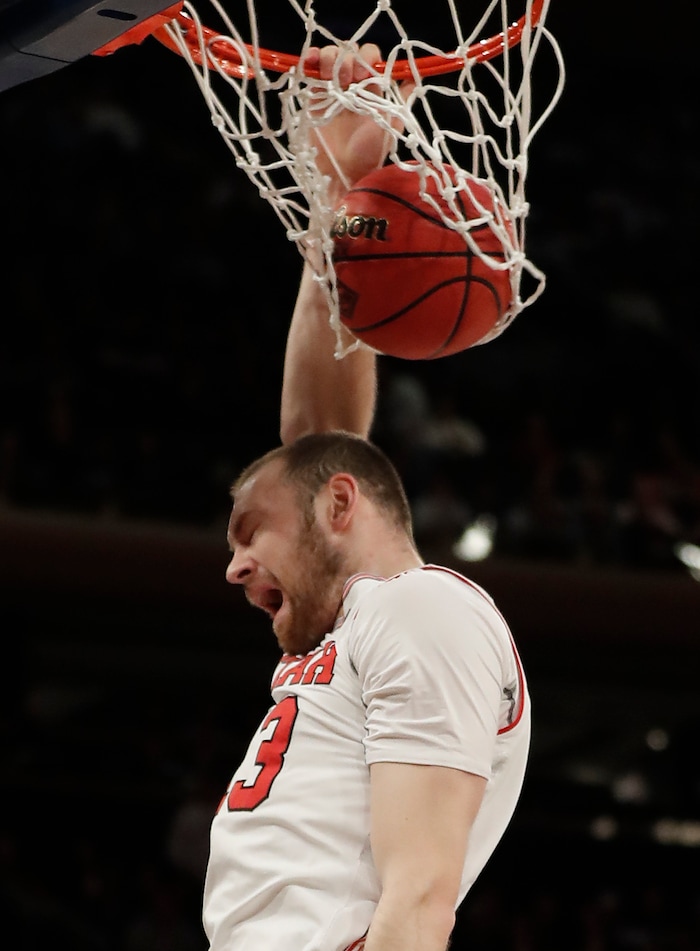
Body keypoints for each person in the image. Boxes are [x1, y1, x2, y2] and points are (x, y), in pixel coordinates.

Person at [202, 44, 531, 951]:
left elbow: (420, 905)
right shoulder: (368, 625)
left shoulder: (421, 611)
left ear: (342, 509)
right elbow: (316, 448)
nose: (232, 565)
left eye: (246, 533)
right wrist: (335, 209)